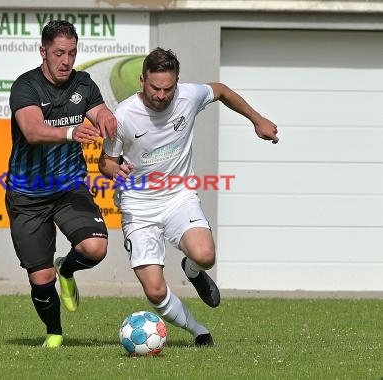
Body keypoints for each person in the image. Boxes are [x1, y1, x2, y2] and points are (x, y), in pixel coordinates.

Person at [98, 47, 278, 347]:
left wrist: (257, 119)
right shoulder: (124, 116)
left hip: (178, 197)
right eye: (155, 88)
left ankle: (192, 270)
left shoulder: (188, 96)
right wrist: (114, 169)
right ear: (142, 81)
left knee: (205, 256)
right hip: (139, 207)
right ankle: (199, 330)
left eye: (168, 88)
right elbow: (105, 161)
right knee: (155, 292)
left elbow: (220, 91)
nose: (161, 95)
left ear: (177, 82)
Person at [6, 20, 117, 348]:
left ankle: (67, 270)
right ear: (43, 52)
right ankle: (54, 332)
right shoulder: (26, 86)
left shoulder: (83, 83)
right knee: (41, 281)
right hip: (28, 194)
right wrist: (71, 132)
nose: (66, 60)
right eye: (59, 53)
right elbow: (32, 131)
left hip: (70, 187)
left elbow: (99, 112)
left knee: (95, 248)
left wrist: (107, 118)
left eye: (72, 52)